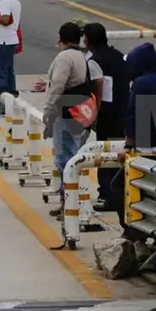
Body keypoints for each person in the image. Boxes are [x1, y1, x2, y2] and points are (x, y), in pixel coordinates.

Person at [35, 22, 102, 218]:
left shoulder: (64, 58)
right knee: (72, 154)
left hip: (65, 112)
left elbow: (57, 86)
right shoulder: (81, 56)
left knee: (65, 159)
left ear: (60, 38)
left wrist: (48, 111)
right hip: (78, 111)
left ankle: (70, 205)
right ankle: (73, 202)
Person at [82, 23, 129, 211]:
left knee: (105, 153)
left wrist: (93, 115)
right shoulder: (120, 56)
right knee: (119, 152)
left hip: (107, 114)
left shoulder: (94, 61)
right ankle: (119, 192)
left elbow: (97, 90)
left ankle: (107, 195)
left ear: (89, 41)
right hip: (124, 110)